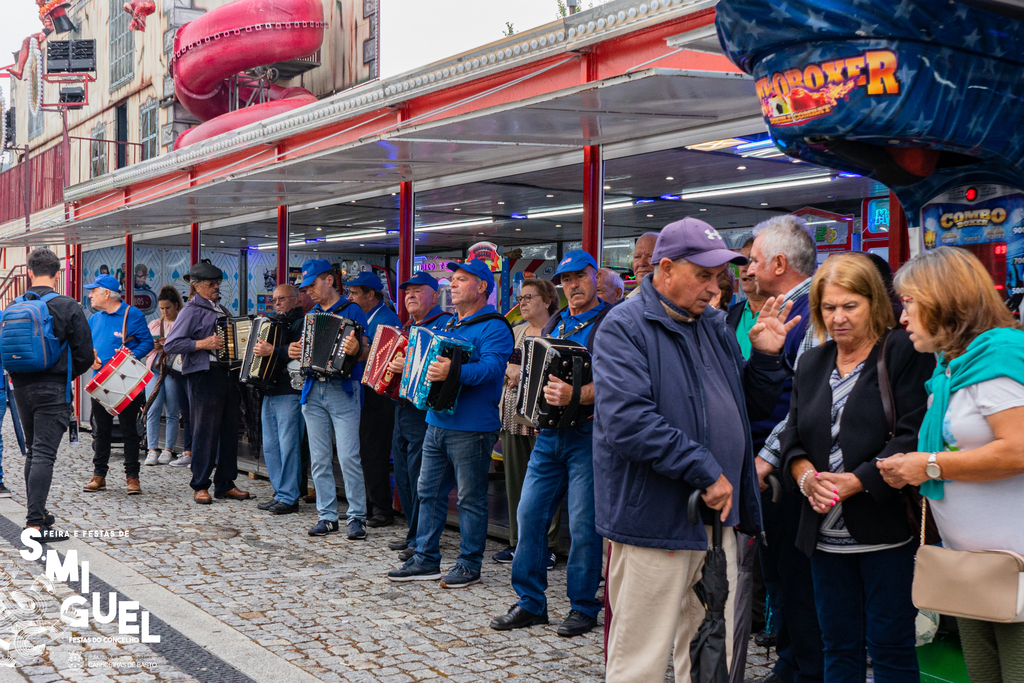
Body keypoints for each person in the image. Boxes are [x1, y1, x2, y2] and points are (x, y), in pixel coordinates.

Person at [594, 217, 797, 682]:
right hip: (654, 525)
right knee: (639, 659)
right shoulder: (622, 326)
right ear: (664, 269)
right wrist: (704, 469)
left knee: (710, 654)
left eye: (718, 275)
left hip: (715, 520)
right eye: (702, 275)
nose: (714, 287)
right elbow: (629, 421)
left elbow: (743, 407)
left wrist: (765, 359)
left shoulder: (714, 325)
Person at [781, 253, 934, 683]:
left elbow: (914, 432)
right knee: (838, 646)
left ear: (874, 302)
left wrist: (857, 481)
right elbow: (792, 437)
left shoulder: (901, 351)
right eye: (829, 308)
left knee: (890, 647)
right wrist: (806, 478)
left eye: (850, 306)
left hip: (885, 529)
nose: (838, 318)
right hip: (823, 535)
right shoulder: (812, 363)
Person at [879, 247, 1024, 683]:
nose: (902, 318)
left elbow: (1017, 449)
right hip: (977, 568)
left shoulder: (995, 360)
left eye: (909, 303)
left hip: (1012, 569)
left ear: (943, 301)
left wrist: (930, 466)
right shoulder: (953, 368)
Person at [490, 251, 613, 637]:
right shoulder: (557, 321)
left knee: (582, 524)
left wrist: (575, 394)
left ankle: (583, 606)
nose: (573, 285)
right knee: (528, 515)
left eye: (579, 277)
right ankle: (530, 603)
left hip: (588, 434)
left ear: (594, 276)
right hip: (549, 434)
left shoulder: (613, 322)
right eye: (567, 280)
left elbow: (621, 382)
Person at [387, 259, 514, 588]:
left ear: (482, 287)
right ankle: (426, 558)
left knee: (471, 499)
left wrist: (451, 372)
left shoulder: (495, 326)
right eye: (452, 280)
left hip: (472, 427)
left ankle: (469, 564)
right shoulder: (452, 326)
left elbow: (492, 371)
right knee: (427, 492)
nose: (452, 285)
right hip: (436, 420)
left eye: (460, 279)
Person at [746, 215, 825, 683]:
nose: (749, 268)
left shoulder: (813, 309)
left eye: (755, 259)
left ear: (779, 262)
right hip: (780, 465)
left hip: (795, 470)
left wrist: (768, 457)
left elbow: (808, 401)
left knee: (796, 575)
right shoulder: (782, 309)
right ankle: (793, 659)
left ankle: (804, 667)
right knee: (779, 571)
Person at [7, 248, 93, 541]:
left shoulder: (15, 304)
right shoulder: (68, 306)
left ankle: (39, 515)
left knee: (34, 450)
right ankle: (34, 525)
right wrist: (65, 374)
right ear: (58, 274)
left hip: (21, 387)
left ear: (30, 272)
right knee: (44, 453)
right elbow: (83, 354)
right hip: (53, 388)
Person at [287, 259, 370, 539]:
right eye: (305, 287)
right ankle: (327, 516)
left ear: (330, 281)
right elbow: (305, 353)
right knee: (320, 459)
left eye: (312, 284)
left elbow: (365, 352)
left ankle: (357, 517)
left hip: (343, 389)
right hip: (313, 390)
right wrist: (296, 351)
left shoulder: (353, 310)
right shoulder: (310, 317)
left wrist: (358, 348)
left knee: (348, 457)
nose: (307, 291)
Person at [164, 262, 252, 505]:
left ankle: (225, 483)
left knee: (229, 430)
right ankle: (200, 484)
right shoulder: (191, 310)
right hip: (205, 374)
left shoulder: (219, 308)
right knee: (205, 431)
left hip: (226, 373)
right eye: (210, 284)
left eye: (218, 283)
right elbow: (171, 344)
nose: (216, 287)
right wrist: (202, 344)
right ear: (196, 286)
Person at [493, 278, 560, 566]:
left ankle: (547, 545)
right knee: (515, 481)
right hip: (511, 415)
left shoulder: (557, 331)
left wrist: (525, 373)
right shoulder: (516, 331)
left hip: (543, 416)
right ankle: (517, 542)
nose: (522, 303)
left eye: (529, 297)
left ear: (547, 301)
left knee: (547, 484)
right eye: (520, 297)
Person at [387, 272, 453, 561]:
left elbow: (443, 363)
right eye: (407, 292)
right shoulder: (408, 326)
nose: (410, 295)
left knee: (419, 475)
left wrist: (408, 364)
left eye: (418, 290)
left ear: (434, 296)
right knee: (402, 471)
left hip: (423, 410)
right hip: (402, 407)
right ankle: (413, 533)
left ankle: (421, 538)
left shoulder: (446, 324)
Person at [82, 274, 154, 496]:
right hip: (100, 383)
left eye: (93, 290)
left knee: (129, 431)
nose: (90, 294)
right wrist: (90, 358)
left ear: (106, 293)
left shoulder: (132, 314)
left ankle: (132, 477)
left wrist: (132, 353)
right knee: (100, 430)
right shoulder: (94, 319)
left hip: (125, 384)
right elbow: (87, 347)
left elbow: (147, 342)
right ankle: (99, 475)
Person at [348, 271, 402, 528]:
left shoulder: (386, 318)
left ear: (370, 294)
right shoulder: (367, 316)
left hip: (379, 395)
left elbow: (384, 356)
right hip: (366, 390)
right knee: (364, 450)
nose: (350, 297)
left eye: (355, 293)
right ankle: (368, 505)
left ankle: (382, 508)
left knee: (374, 451)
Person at [254, 284, 305, 515]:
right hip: (270, 389)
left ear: (296, 300)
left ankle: (289, 496)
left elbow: (299, 352)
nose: (277, 304)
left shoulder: (303, 322)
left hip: (290, 390)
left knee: (288, 445)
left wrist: (273, 351)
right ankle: (280, 492)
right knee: (271, 445)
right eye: (274, 300)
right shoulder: (271, 323)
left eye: (282, 299)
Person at [144, 286, 191, 467]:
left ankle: (168, 449)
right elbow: (145, 348)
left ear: (176, 305)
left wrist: (169, 347)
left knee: (172, 409)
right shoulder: (155, 324)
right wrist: (154, 347)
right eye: (162, 308)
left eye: (168, 308)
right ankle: (151, 449)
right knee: (153, 407)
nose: (165, 311)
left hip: (173, 370)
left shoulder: (182, 324)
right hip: (155, 369)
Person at [726, 237, 767, 360]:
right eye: (741, 262)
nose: (744, 268)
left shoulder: (786, 314)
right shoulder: (727, 315)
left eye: (751, 261)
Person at [625, 232, 658, 299]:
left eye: (650, 256)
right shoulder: (621, 306)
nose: (641, 263)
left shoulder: (679, 304)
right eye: (637, 257)